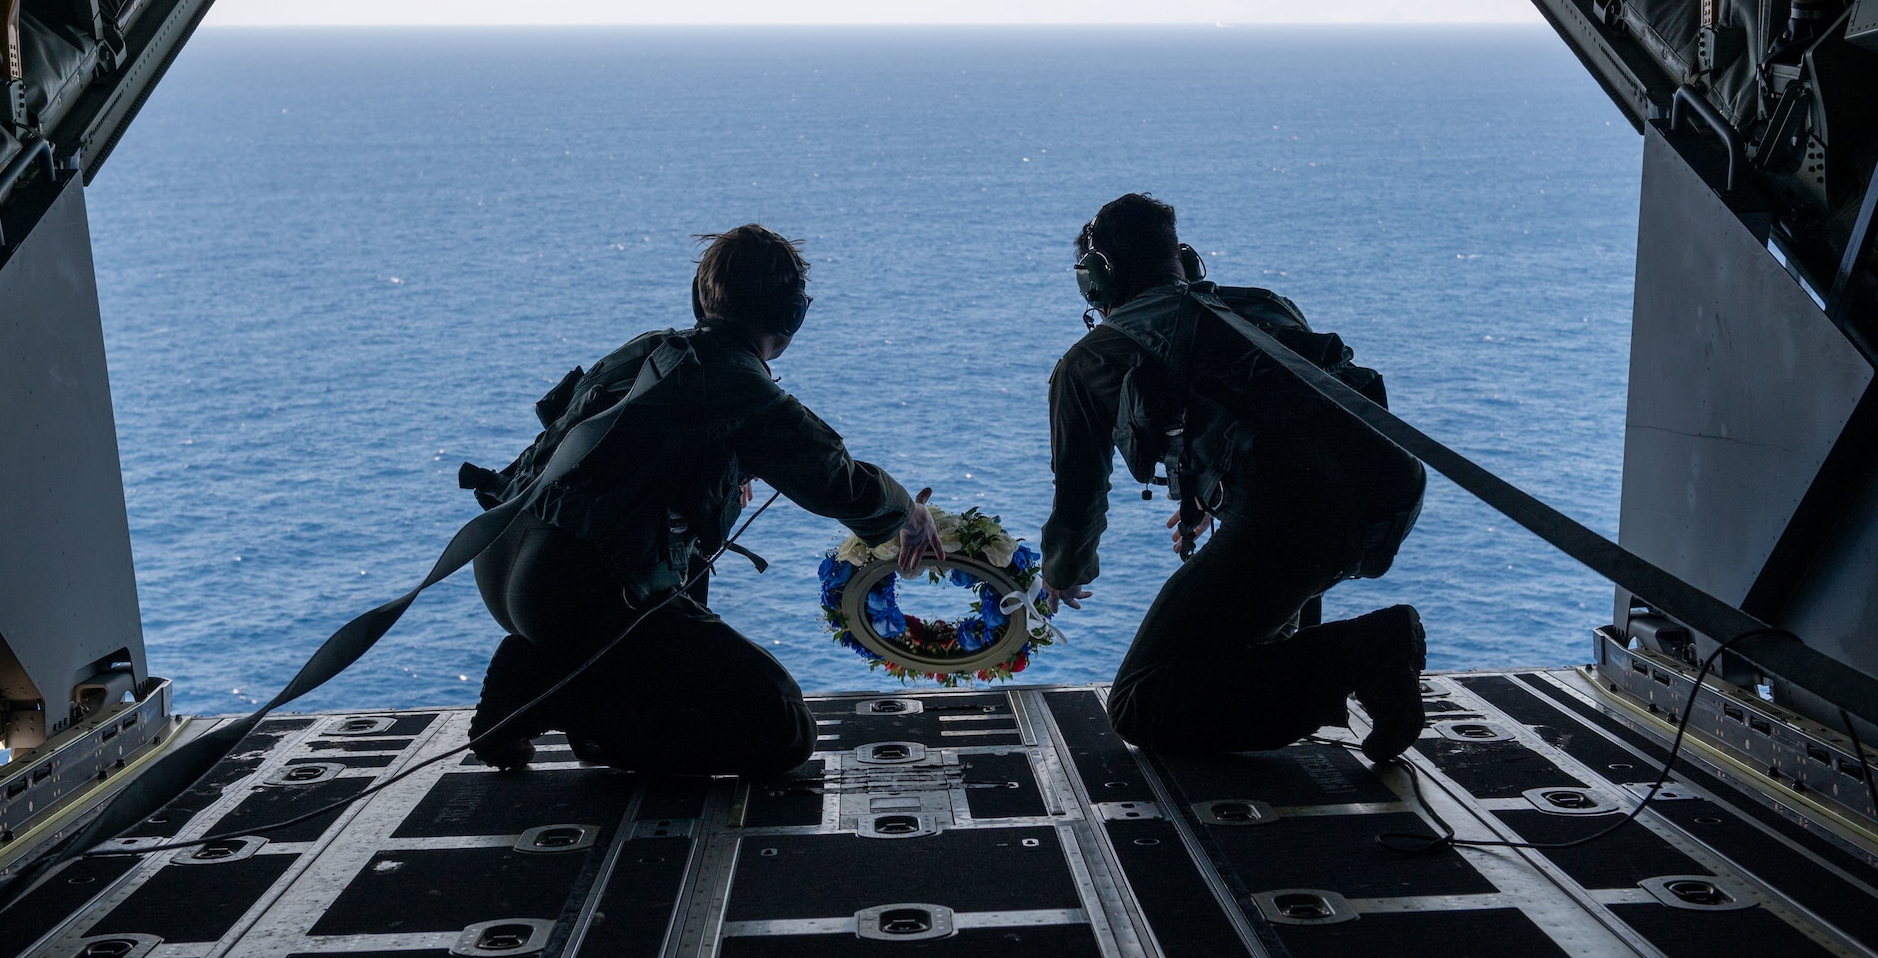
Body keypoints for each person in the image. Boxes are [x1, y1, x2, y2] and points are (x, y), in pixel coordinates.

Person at [460, 224, 940, 776]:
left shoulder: (649, 351)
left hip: (507, 561)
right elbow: (838, 479)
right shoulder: (738, 382)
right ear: (791, 316)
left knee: (678, 612)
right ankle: (568, 704)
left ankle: (538, 668)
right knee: (781, 725)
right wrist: (908, 513)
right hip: (575, 590)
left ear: (701, 296)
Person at [1041, 194, 1430, 761]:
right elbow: (1271, 417)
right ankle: (1368, 670)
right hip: (1388, 490)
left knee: (1140, 702)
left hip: (1291, 519)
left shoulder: (1090, 360)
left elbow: (1079, 498)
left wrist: (1064, 571)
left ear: (1096, 279)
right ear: (1183, 259)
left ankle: (1372, 648)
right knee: (1261, 633)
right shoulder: (1264, 306)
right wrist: (1204, 499)